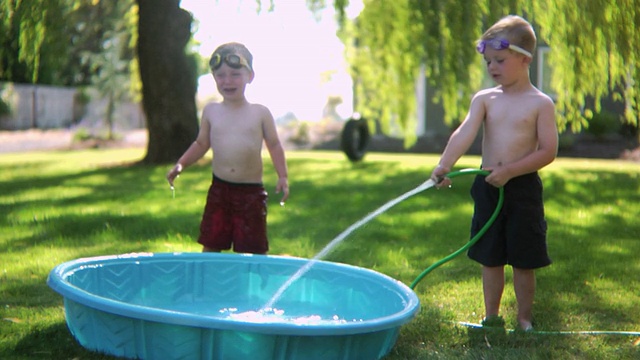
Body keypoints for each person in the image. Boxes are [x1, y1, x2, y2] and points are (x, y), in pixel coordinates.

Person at [430, 15, 558, 331]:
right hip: (487, 185)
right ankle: (491, 316)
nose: (492, 67)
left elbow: (548, 151)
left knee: (524, 258)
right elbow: (464, 133)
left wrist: (512, 171)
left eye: (499, 60)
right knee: (491, 256)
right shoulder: (485, 99)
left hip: (522, 188)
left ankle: (524, 319)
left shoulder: (540, 104)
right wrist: (444, 164)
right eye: (488, 61)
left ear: (525, 59)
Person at [167, 42, 289, 255]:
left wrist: (283, 176)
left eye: (235, 74)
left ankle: (253, 286)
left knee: (252, 248)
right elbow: (201, 144)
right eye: (221, 75)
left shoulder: (260, 113)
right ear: (213, 77)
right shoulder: (211, 111)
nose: (227, 81)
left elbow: (275, 145)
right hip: (220, 191)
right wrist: (181, 164)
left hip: (251, 193)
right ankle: (207, 282)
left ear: (250, 76)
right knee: (212, 242)